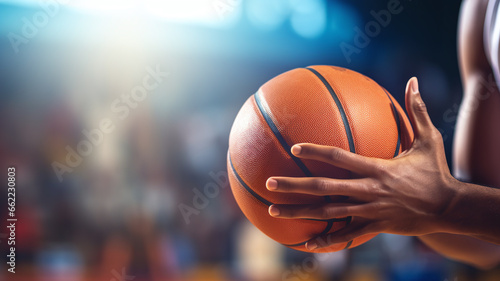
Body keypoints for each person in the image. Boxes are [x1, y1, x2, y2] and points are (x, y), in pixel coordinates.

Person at [265, 0, 500, 269]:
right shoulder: (481, 9)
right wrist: (398, 193)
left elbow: (460, 207)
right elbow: (488, 243)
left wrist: (447, 203)